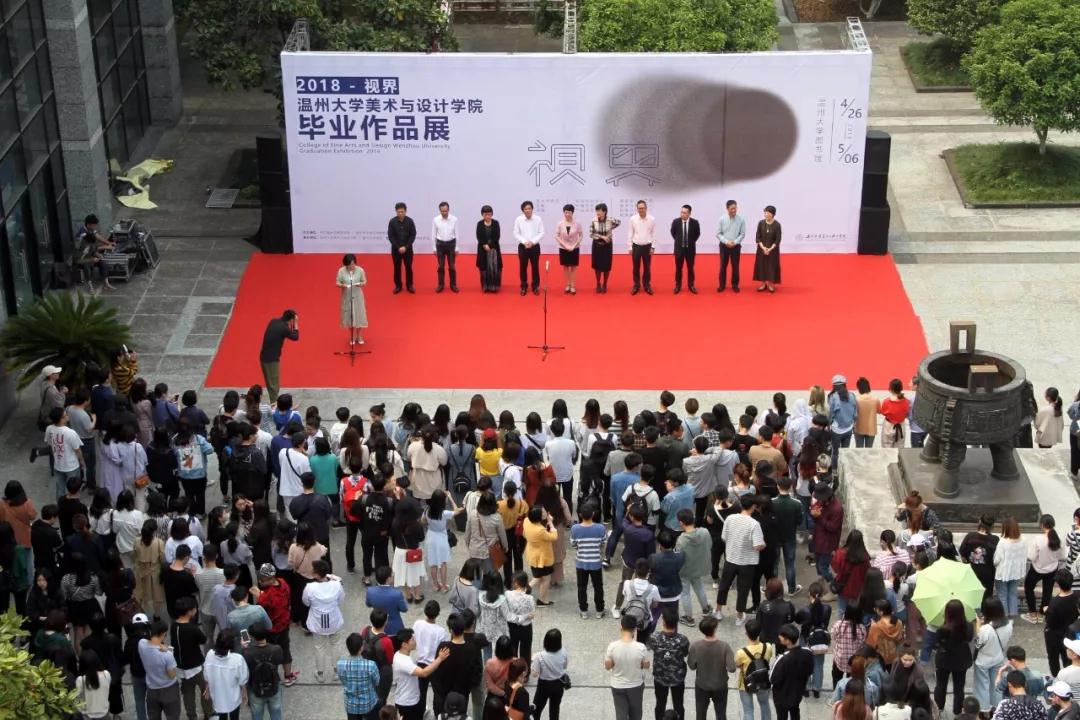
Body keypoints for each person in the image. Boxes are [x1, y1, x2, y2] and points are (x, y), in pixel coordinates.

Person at [715, 497, 765, 624]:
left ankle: (718, 611)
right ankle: (739, 616)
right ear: (753, 507)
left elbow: (724, 537)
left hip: (731, 558)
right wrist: (764, 544)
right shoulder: (754, 524)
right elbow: (757, 546)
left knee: (724, 586)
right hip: (747, 562)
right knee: (743, 590)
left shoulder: (730, 518)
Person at [393, 628, 450, 720]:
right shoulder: (403, 661)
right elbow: (424, 673)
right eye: (412, 640)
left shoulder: (401, 655)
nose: (415, 642)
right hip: (407, 703)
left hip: (412, 699)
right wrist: (440, 658)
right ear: (404, 644)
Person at [303, 559, 345, 683]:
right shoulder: (336, 585)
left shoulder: (310, 587)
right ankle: (337, 672)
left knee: (319, 647)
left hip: (318, 622)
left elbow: (306, 602)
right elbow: (341, 600)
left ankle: (320, 673)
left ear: (316, 574)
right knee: (335, 644)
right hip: (334, 620)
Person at [687, 614, 735, 720]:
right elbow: (732, 668)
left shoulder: (695, 646)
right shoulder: (724, 646)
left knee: (700, 714)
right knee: (721, 714)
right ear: (715, 629)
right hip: (720, 685)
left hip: (702, 685)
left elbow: (691, 666)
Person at [648, 607, 690, 720]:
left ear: (663, 621)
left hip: (660, 677)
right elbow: (685, 653)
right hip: (677, 678)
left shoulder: (655, 637)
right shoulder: (683, 640)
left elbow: (651, 647)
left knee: (660, 704)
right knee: (679, 705)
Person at [934, 599, 974, 716]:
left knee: (941, 685)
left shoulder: (942, 629)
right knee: (959, 687)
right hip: (961, 660)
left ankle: (939, 708)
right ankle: (957, 711)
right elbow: (969, 639)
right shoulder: (968, 626)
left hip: (944, 660)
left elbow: (936, 644)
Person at [605, 614, 650, 720]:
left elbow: (607, 666)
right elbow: (647, 665)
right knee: (636, 714)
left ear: (621, 627)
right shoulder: (641, 648)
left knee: (620, 714)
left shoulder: (612, 646)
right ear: (635, 629)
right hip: (636, 685)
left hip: (617, 685)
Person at [1025, 514, 1066, 623]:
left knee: (1028, 587)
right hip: (1052, 569)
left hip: (1037, 569)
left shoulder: (1038, 539)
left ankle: (1032, 614)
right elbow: (1062, 556)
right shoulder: (1060, 539)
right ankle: (1041, 614)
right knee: (1047, 591)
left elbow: (1031, 557)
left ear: (1042, 525)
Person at [140, 619, 182, 720]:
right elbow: (172, 675)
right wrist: (169, 650)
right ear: (163, 634)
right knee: (173, 716)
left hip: (152, 690)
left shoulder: (141, 644)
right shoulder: (167, 656)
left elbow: (149, 642)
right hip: (169, 690)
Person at [203, 629, 250, 720]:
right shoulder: (238, 659)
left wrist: (207, 688)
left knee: (221, 715)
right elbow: (243, 680)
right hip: (233, 697)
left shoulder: (209, 655)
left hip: (217, 695)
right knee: (234, 716)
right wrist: (244, 693)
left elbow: (206, 675)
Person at [771, 623, 814, 720]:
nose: (779, 636)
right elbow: (810, 670)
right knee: (795, 711)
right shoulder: (808, 652)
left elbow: (773, 679)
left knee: (782, 716)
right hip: (798, 692)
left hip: (781, 695)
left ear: (788, 641)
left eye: (781, 636)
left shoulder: (782, 658)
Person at [735, 618, 774, 720]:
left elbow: (738, 665)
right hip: (763, 680)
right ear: (759, 633)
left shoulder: (741, 652)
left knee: (748, 711)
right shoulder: (768, 647)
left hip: (745, 683)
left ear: (746, 633)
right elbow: (768, 659)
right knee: (765, 705)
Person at [336, 631, 381, 720]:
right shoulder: (370, 665)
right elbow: (377, 682)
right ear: (361, 648)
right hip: (368, 703)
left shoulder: (340, 664)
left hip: (351, 705)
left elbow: (343, 681)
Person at [44, 406, 86, 499]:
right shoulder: (70, 433)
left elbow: (49, 443)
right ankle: (73, 505)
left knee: (60, 488)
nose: (67, 415)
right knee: (74, 489)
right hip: (71, 466)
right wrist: (82, 461)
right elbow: (77, 450)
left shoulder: (49, 429)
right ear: (61, 419)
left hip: (58, 465)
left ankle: (60, 505)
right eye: (65, 415)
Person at [258, 310, 299, 404]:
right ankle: (275, 405)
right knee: (274, 385)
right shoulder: (284, 328)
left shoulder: (273, 321)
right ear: (291, 320)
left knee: (271, 384)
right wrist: (296, 324)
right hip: (271, 360)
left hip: (265, 356)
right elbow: (295, 337)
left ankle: (275, 403)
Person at [531, 628, 568, 720]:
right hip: (558, 684)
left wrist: (532, 662)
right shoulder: (563, 651)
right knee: (554, 710)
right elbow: (565, 666)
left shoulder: (539, 656)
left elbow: (535, 674)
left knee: (537, 709)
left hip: (544, 686)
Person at [995, 516, 1027, 618]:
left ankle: (1004, 618)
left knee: (1002, 595)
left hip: (1003, 573)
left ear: (1005, 528)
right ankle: (1012, 617)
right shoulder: (1023, 540)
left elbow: (997, 560)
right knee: (1013, 593)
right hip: (1016, 572)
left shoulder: (1003, 541)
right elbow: (1025, 556)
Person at [513, 200, 543, 296]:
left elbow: (541, 232)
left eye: (529, 208)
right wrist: (524, 242)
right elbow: (516, 233)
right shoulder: (518, 219)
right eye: (525, 209)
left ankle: (535, 286)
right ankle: (523, 286)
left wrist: (532, 242)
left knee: (535, 267)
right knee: (523, 267)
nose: (528, 210)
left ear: (532, 209)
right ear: (523, 210)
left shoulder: (538, 219)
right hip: (523, 247)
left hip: (535, 246)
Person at [337, 254, 368, 346]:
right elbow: (338, 282)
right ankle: (352, 336)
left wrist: (361, 284)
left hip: (358, 297)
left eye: (353, 264)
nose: (352, 266)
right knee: (349, 316)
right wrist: (342, 285)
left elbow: (364, 281)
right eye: (350, 264)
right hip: (347, 296)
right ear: (345, 264)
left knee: (359, 315)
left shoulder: (360, 270)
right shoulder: (341, 271)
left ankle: (359, 335)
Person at [589, 203, 620, 293]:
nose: (597, 212)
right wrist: (602, 237)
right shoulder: (593, 220)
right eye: (597, 211)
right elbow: (591, 234)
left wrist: (610, 228)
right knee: (597, 266)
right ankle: (598, 283)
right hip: (597, 245)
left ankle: (605, 283)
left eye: (599, 211)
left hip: (607, 245)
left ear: (605, 211)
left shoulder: (610, 220)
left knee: (607, 266)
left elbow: (619, 222)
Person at [627, 199, 655, 295]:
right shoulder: (633, 219)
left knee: (647, 267)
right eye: (639, 208)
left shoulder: (652, 219)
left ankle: (647, 285)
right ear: (637, 209)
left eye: (643, 208)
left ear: (646, 208)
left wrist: (653, 247)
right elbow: (630, 233)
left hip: (647, 246)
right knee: (636, 267)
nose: (641, 210)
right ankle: (636, 285)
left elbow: (654, 234)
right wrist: (630, 247)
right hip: (636, 246)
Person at [716, 200, 745, 293]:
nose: (734, 210)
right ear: (727, 209)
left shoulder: (741, 219)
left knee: (735, 266)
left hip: (736, 246)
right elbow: (718, 233)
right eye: (732, 208)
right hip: (724, 246)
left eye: (735, 208)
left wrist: (735, 242)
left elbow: (742, 234)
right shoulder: (722, 219)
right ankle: (722, 285)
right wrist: (726, 241)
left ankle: (735, 285)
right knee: (723, 266)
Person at [671, 204, 700, 294]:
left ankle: (691, 285)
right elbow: (673, 233)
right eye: (681, 212)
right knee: (678, 268)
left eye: (685, 213)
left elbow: (697, 234)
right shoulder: (675, 222)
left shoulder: (695, 222)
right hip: (679, 250)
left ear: (689, 213)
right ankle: (678, 285)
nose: (682, 214)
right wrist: (679, 241)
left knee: (690, 268)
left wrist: (690, 242)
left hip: (690, 250)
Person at [388, 202, 416, 294]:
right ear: (396, 211)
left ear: (405, 211)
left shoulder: (410, 221)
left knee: (408, 267)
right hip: (396, 250)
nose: (400, 213)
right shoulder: (392, 222)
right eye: (399, 212)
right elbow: (391, 236)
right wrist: (398, 247)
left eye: (402, 212)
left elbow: (413, 235)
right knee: (397, 268)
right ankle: (398, 286)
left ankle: (409, 285)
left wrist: (406, 247)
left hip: (408, 250)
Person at [752, 205, 782, 293]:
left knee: (771, 266)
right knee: (762, 266)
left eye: (768, 213)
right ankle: (763, 284)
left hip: (773, 250)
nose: (766, 215)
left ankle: (770, 284)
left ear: (773, 214)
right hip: (761, 249)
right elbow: (758, 237)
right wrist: (763, 248)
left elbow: (778, 239)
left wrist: (770, 249)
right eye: (765, 213)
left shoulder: (777, 225)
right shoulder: (761, 223)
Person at [432, 201, 460, 293]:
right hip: (440, 245)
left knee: (452, 266)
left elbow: (457, 234)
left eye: (445, 211)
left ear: (448, 210)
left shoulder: (454, 219)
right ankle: (441, 284)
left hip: (451, 244)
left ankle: (453, 285)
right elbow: (433, 234)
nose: (444, 213)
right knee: (440, 266)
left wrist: (457, 247)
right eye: (442, 211)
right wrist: (434, 248)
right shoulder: (435, 219)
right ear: (439, 210)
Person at [555, 203, 583, 294]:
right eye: (566, 212)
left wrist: (574, 246)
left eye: (569, 212)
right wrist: (565, 245)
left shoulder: (577, 223)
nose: (567, 214)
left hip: (575, 248)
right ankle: (568, 284)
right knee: (566, 266)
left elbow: (581, 235)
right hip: (563, 248)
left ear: (572, 213)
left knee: (574, 267)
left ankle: (573, 285)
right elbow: (556, 236)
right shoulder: (560, 223)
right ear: (564, 212)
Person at [476, 205, 502, 293]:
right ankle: (485, 286)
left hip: (494, 248)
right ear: (482, 214)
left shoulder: (496, 223)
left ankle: (494, 286)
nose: (487, 216)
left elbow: (497, 236)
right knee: (484, 268)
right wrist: (484, 244)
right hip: (482, 249)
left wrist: (489, 246)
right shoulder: (479, 224)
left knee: (495, 267)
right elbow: (479, 236)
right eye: (485, 214)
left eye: (489, 214)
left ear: (492, 214)